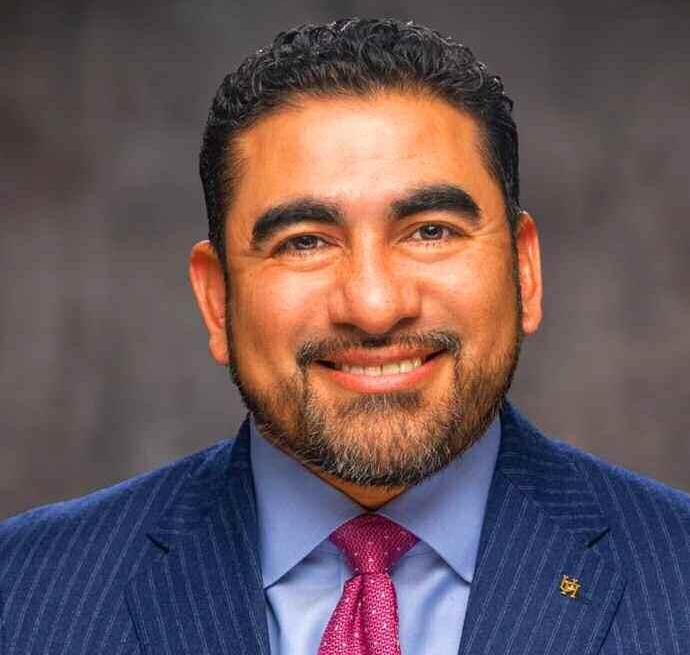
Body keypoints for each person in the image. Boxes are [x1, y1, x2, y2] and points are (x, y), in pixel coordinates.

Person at [1, 17, 689, 655]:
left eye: (430, 231)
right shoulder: (23, 595)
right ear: (216, 298)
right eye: (304, 242)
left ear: (524, 269)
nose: (374, 306)